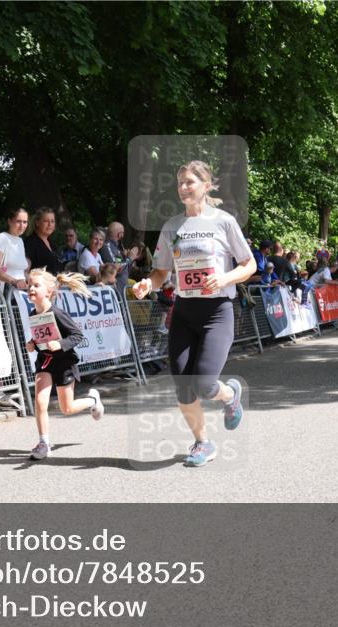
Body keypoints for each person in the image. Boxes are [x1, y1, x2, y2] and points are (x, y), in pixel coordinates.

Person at [133, 160, 256, 467]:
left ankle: (229, 396)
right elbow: (161, 271)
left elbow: (249, 264)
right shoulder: (172, 226)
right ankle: (203, 443)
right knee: (183, 384)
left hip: (217, 311)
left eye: (190, 182)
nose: (183, 187)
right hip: (184, 311)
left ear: (206, 185)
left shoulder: (223, 221)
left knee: (204, 382)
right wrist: (149, 284)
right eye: (180, 183)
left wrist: (226, 278)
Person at [23, 268, 104, 460]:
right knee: (40, 401)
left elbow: (77, 335)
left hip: (64, 363)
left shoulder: (57, 313)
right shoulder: (33, 312)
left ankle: (93, 400)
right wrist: (32, 344)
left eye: (36, 285)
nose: (30, 288)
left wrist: (59, 344)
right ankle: (44, 444)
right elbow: (40, 336)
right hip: (44, 362)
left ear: (49, 291)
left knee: (66, 409)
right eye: (28, 285)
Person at [99, 221, 138, 293]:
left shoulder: (115, 247)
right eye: (122, 233)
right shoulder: (107, 246)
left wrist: (127, 258)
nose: (123, 235)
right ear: (119, 234)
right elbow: (116, 267)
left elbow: (121, 265)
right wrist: (129, 258)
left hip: (120, 288)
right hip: (114, 289)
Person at [24, 207, 64, 275]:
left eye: (52, 221)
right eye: (46, 221)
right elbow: (24, 271)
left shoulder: (52, 244)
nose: (50, 224)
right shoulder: (30, 243)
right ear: (37, 223)